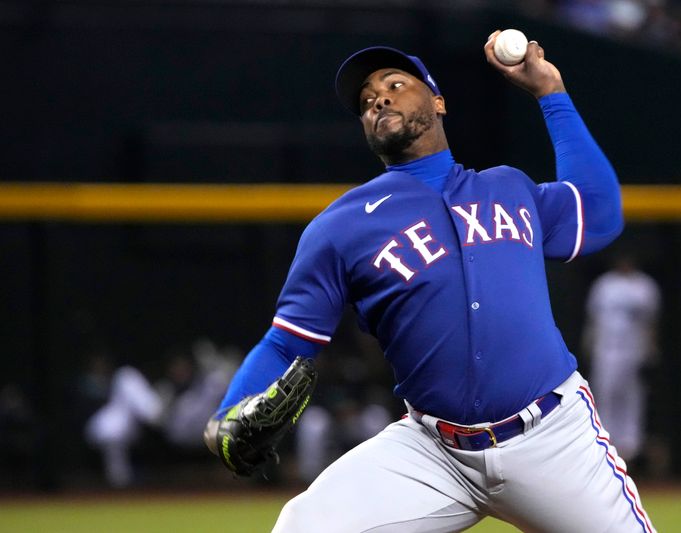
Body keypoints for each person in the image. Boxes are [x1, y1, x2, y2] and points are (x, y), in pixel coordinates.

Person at [206, 31, 656, 532]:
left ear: (438, 101)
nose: (379, 96)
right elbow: (287, 342)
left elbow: (599, 209)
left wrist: (551, 93)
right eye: (367, 99)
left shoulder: (507, 186)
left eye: (396, 83)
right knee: (302, 526)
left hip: (552, 436)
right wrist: (228, 412)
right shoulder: (340, 226)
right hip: (432, 453)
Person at [584, 254, 661, 469]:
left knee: (632, 396)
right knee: (604, 392)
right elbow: (593, 319)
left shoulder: (645, 285)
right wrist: (588, 344)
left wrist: (651, 349)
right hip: (606, 348)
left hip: (633, 349)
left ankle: (631, 445)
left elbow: (651, 322)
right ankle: (606, 440)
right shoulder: (604, 284)